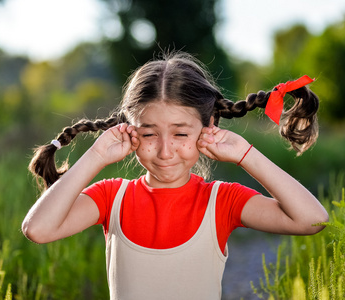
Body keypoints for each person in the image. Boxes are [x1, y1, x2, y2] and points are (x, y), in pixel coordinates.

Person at [22, 51, 329, 300]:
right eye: (150, 133)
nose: (165, 151)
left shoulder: (221, 200)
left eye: (181, 133)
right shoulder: (111, 197)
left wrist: (246, 154)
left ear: (208, 125)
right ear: (130, 130)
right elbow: (38, 229)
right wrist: (96, 156)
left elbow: (312, 220)